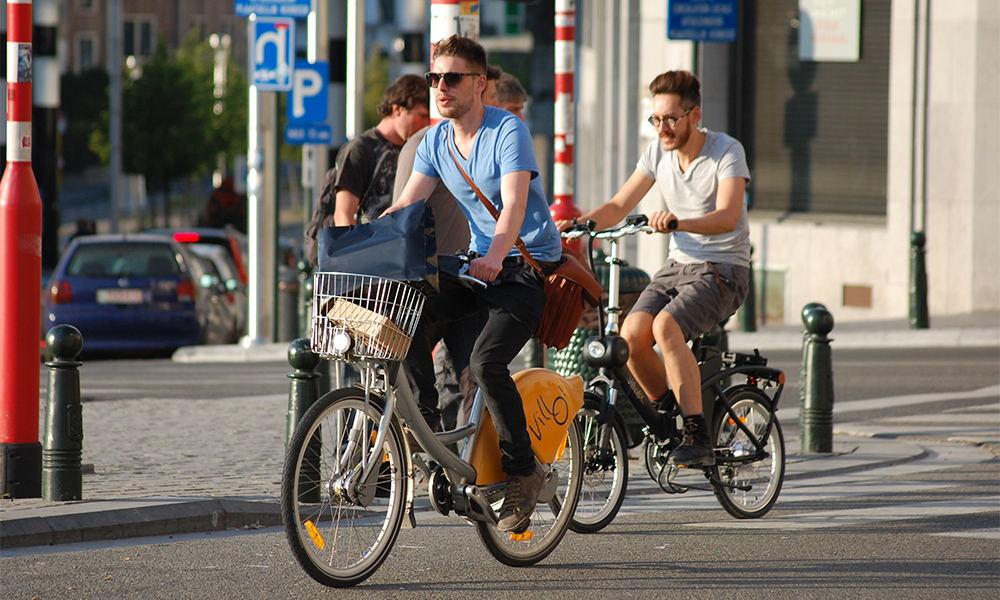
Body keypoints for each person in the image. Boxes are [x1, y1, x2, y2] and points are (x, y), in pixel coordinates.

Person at [385, 35, 562, 533]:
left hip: (524, 268)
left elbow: (513, 210)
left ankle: (522, 472)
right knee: (404, 308)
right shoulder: (436, 140)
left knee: (486, 364)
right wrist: (362, 241)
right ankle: (425, 430)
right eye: (434, 78)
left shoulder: (509, 130)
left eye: (452, 78)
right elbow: (406, 205)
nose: (440, 87)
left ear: (479, 84)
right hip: (476, 264)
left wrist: (493, 256)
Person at [557, 70, 751, 467]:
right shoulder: (657, 153)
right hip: (678, 265)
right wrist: (580, 224)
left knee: (665, 327)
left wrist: (678, 222)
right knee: (630, 333)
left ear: (694, 115)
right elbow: (618, 206)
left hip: (723, 269)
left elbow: (728, 217)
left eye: (670, 118)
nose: (662, 127)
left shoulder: (727, 151)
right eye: (656, 119)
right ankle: (670, 416)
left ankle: (697, 433)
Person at [392, 64, 503, 432]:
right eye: (495, 101)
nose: (498, 110)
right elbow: (403, 210)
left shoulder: (491, 145)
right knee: (407, 376)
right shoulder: (429, 144)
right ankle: (403, 454)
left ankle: (471, 470)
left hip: (467, 276)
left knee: (478, 377)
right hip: (430, 278)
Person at [304, 74, 430, 265]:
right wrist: (361, 265)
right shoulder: (360, 149)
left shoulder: (413, 150)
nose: (425, 124)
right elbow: (343, 215)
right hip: (364, 268)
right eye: (421, 115)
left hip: (393, 263)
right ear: (397, 109)